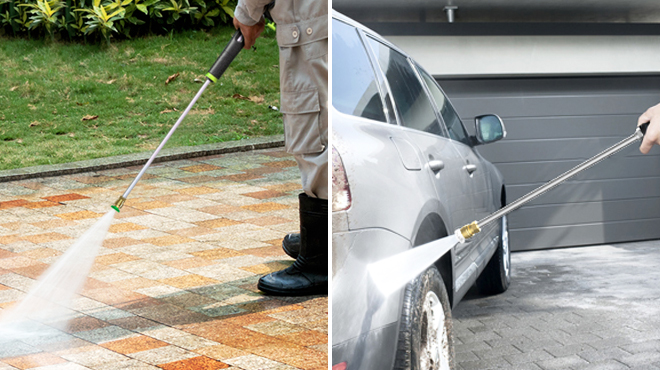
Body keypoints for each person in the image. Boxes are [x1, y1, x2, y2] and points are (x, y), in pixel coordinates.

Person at [232, 0, 328, 296]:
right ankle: (323, 238)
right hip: (320, 24)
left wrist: (247, 12)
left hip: (314, 32)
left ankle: (321, 260)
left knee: (318, 136)